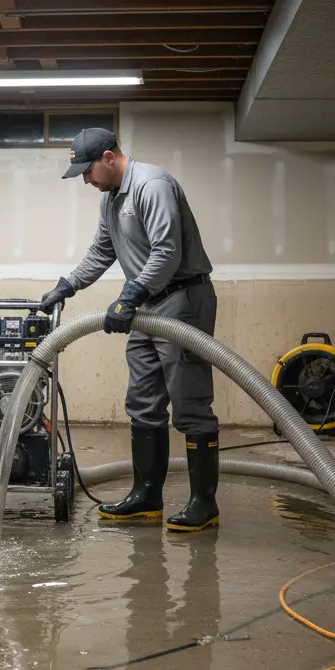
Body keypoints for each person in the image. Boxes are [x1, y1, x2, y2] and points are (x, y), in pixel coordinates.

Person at [40, 127, 220, 532]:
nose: (86, 180)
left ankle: (204, 505)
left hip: (182, 299)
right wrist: (67, 284)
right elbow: (102, 252)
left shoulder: (152, 185)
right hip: (147, 303)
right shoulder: (110, 200)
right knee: (142, 401)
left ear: (108, 157)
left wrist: (132, 292)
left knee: (189, 404)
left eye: (88, 171)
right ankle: (146, 497)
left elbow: (167, 250)